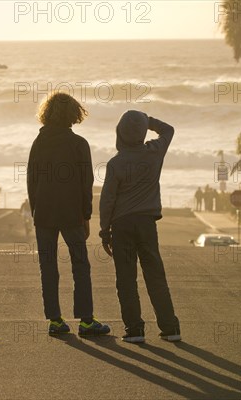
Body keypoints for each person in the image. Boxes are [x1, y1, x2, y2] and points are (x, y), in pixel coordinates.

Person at [27, 92, 110, 337]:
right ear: (74, 114)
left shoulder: (38, 143)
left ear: (47, 113)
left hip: (43, 213)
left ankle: (55, 320)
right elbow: (87, 184)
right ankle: (86, 320)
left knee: (48, 266)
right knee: (80, 265)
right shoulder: (78, 144)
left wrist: (35, 211)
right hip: (72, 213)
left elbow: (32, 180)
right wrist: (86, 216)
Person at [99, 110, 181, 343]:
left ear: (119, 134)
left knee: (126, 279)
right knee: (155, 275)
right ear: (143, 132)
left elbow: (107, 200)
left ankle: (135, 330)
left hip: (122, 225)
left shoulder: (116, 163)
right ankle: (170, 327)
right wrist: (147, 119)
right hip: (147, 223)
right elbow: (169, 129)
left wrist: (105, 231)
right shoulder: (154, 153)